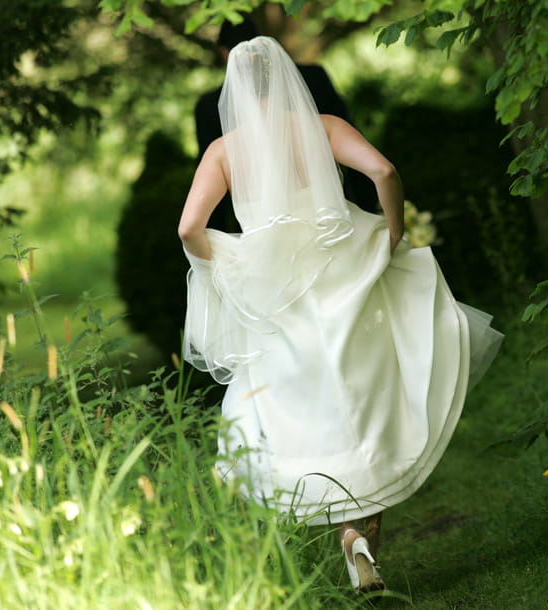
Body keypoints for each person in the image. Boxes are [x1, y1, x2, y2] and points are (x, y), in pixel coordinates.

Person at [177, 37, 503, 594]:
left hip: (277, 290)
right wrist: (393, 234)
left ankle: (349, 535)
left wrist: (231, 264)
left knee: (305, 413)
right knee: (370, 399)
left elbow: (188, 228)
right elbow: (384, 171)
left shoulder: (224, 153)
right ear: (285, 78)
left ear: (233, 91)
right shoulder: (323, 127)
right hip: (346, 267)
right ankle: (361, 535)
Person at [194, 17, 377, 233]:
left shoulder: (210, 107)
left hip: (264, 232)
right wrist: (368, 210)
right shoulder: (314, 78)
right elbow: (355, 145)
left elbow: (209, 192)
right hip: (332, 221)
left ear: (225, 53)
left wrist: (222, 247)